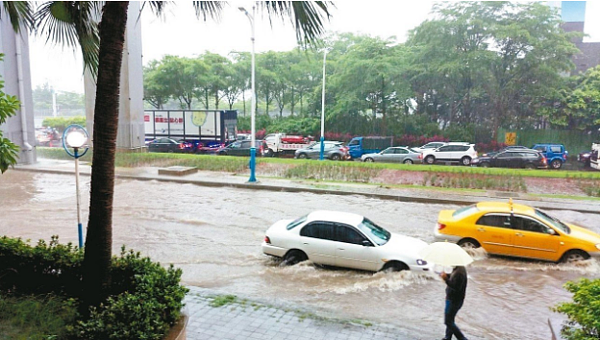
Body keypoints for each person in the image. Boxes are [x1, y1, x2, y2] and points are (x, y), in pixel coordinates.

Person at [440, 265, 468, 340]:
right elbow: (455, 281)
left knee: (448, 321)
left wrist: (446, 279)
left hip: (454, 300)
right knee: (450, 319)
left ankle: (462, 338)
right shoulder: (458, 269)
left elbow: (456, 287)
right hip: (452, 299)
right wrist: (447, 275)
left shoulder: (459, 272)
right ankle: (448, 337)